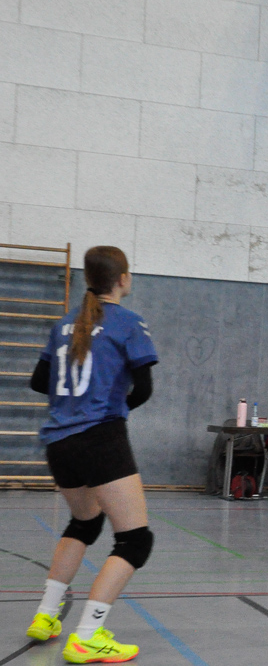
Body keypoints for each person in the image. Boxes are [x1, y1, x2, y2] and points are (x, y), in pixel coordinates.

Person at [25, 246, 157, 663]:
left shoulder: (65, 323)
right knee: (135, 540)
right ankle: (87, 636)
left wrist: (73, 406)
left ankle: (46, 615)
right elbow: (144, 389)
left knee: (85, 522)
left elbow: (39, 381)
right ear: (123, 279)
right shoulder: (128, 322)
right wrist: (110, 412)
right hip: (100, 438)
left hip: (58, 442)